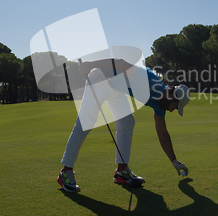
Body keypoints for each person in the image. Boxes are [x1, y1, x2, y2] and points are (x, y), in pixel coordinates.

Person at [57, 58, 190, 192]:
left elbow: (162, 133)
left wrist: (174, 161)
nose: (172, 110)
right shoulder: (148, 80)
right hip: (101, 78)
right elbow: (120, 63)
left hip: (116, 87)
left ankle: (122, 171)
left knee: (127, 122)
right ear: (173, 96)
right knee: (86, 123)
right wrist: (90, 65)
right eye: (175, 107)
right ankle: (65, 172)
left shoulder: (160, 105)